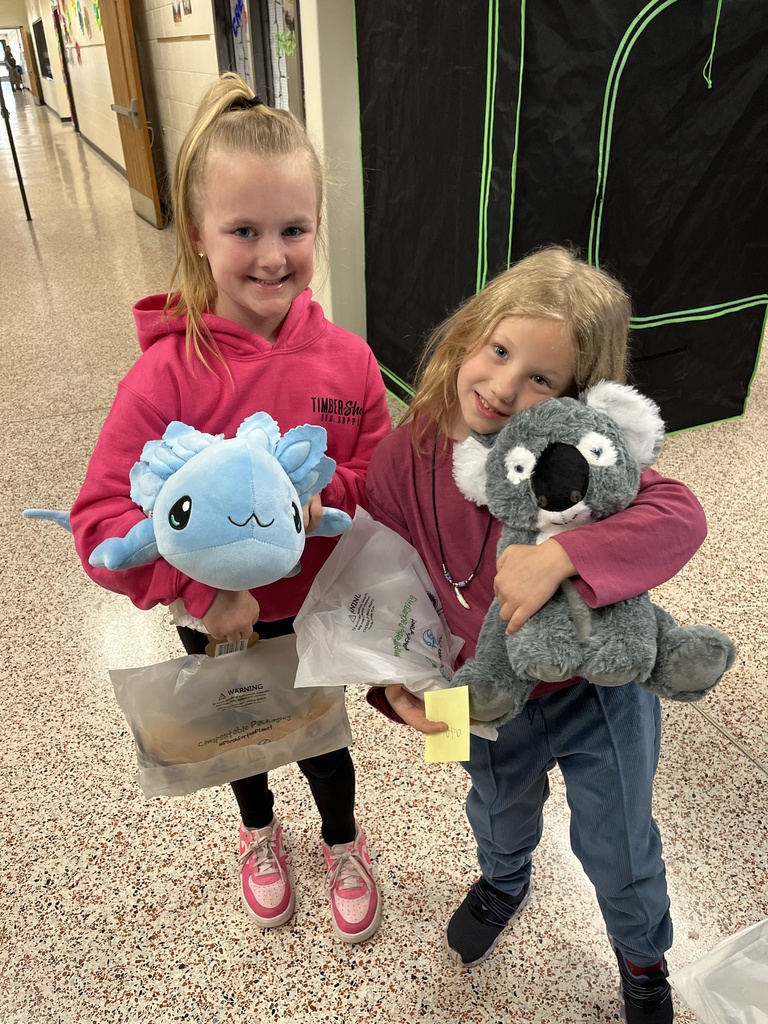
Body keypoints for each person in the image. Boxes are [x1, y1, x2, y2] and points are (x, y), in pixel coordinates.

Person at [70, 73, 391, 943]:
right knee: (238, 728)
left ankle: (342, 838)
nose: (271, 255)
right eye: (243, 230)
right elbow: (100, 522)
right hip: (218, 622)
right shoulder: (164, 376)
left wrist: (335, 494)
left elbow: (376, 466)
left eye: (294, 229)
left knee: (322, 737)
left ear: (318, 228)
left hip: (315, 609)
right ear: (198, 235)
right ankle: (257, 832)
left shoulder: (351, 361)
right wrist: (204, 596)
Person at [365, 245, 706, 1022]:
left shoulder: (570, 456)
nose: (505, 388)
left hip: (596, 693)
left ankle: (643, 958)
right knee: (493, 808)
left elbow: (680, 514)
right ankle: (504, 880)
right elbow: (379, 585)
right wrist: (395, 692)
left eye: (541, 380)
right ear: (469, 334)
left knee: (619, 845)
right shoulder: (403, 452)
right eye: (499, 351)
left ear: (577, 400)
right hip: (482, 692)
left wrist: (564, 554)